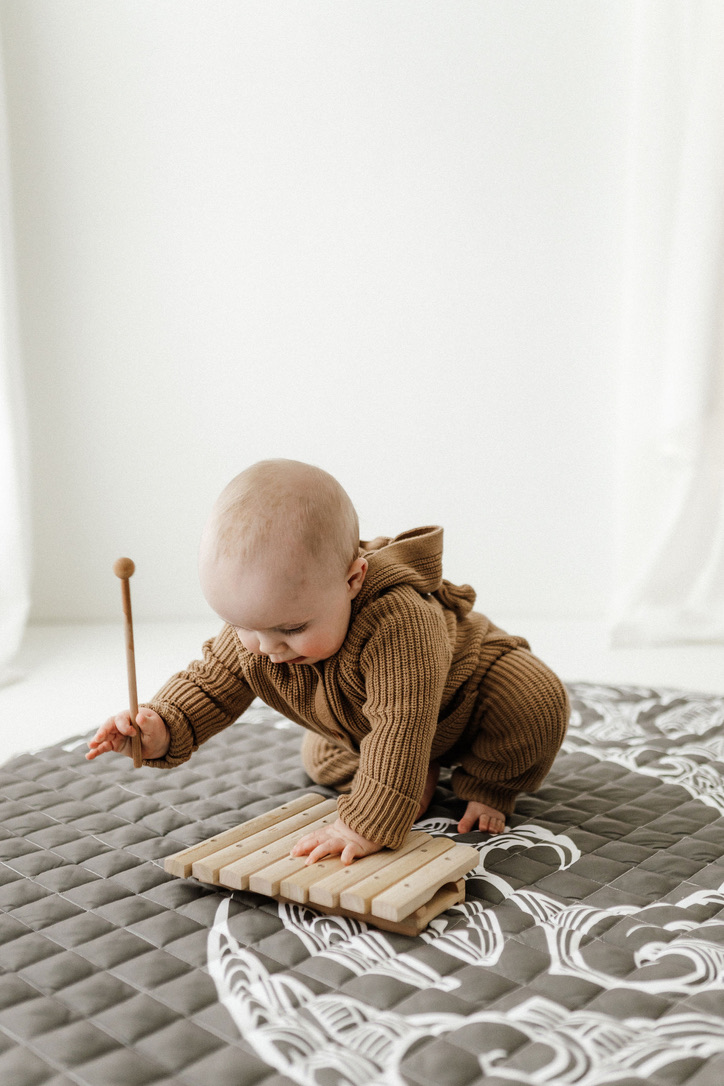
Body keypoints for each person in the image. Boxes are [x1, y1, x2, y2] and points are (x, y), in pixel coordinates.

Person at [87, 459, 569, 865]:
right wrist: (161, 725)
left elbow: (403, 722)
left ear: (354, 579)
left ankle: (486, 781)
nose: (265, 646)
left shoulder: (398, 621)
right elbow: (212, 683)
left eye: (292, 629)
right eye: (242, 625)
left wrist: (363, 825)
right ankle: (411, 773)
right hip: (366, 723)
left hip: (463, 705)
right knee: (321, 758)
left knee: (533, 700)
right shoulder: (260, 629)